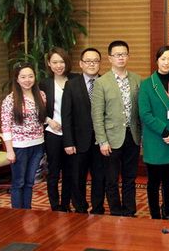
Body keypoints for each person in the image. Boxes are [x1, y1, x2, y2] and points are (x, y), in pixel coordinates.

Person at [91, 40, 142, 217]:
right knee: (111, 178)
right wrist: (102, 141)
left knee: (130, 177)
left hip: (132, 135)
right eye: (117, 55)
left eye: (124, 54)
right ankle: (115, 210)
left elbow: (140, 111)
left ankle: (129, 210)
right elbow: (97, 115)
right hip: (111, 138)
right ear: (110, 58)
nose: (121, 58)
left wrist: (142, 137)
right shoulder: (101, 82)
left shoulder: (137, 79)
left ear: (128, 56)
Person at [139, 45, 169, 220]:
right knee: (153, 181)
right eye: (163, 59)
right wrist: (164, 131)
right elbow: (145, 114)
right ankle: (155, 214)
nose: (166, 62)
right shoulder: (146, 84)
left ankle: (167, 212)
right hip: (155, 139)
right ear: (157, 60)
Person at [62, 47, 106, 214]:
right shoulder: (71, 85)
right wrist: (68, 141)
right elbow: (66, 115)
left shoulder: (106, 83)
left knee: (100, 177)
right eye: (88, 61)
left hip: (101, 141)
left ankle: (98, 207)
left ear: (100, 63)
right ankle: (80, 207)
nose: (92, 64)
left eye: (95, 61)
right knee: (77, 177)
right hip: (79, 141)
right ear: (81, 64)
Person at [1, 63, 47, 209]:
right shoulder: (10, 99)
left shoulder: (41, 95)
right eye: (23, 77)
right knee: (18, 183)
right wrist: (9, 150)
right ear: (17, 79)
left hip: (38, 144)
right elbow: (6, 126)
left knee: (30, 182)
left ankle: (27, 211)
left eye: (30, 76)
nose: (27, 80)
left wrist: (50, 121)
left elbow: (39, 118)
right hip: (19, 147)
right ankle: (17, 214)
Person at [39, 47, 77, 212]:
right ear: (49, 63)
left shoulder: (75, 79)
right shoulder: (44, 83)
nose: (58, 66)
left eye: (61, 62)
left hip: (72, 133)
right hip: (53, 132)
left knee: (70, 171)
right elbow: (37, 108)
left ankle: (66, 203)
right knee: (54, 171)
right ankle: (55, 205)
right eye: (54, 62)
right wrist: (49, 121)